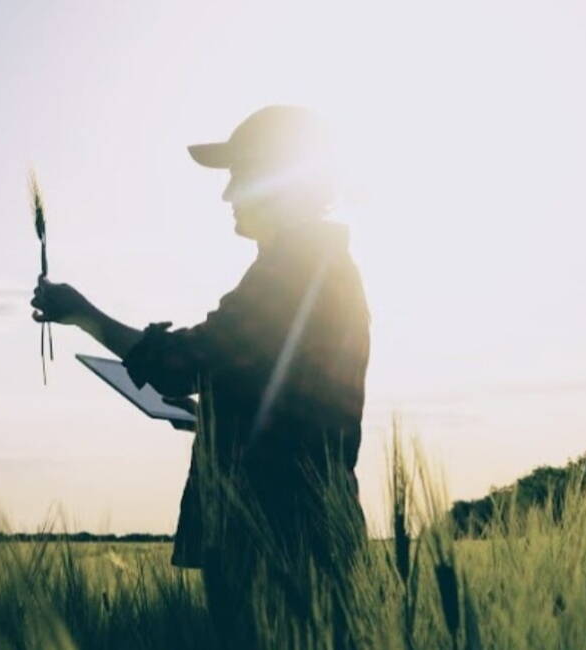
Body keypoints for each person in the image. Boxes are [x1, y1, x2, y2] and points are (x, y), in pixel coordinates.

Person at [30, 105, 370, 645]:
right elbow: (286, 390)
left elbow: (190, 361)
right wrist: (210, 416)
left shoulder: (296, 268)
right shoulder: (307, 265)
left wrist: (85, 316)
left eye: (238, 175)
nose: (226, 194)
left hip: (278, 532)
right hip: (296, 527)